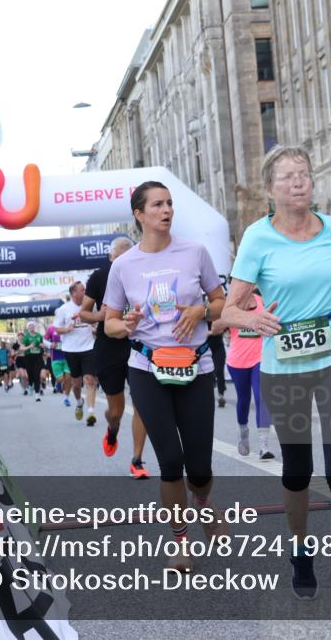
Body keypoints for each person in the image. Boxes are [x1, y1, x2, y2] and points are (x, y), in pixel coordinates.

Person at [220, 145, 331, 613]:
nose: (298, 182)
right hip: (284, 363)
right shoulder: (257, 238)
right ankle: (300, 547)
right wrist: (252, 323)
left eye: (304, 174)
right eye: (287, 177)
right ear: (271, 190)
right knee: (297, 470)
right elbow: (229, 309)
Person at [103, 181, 226, 572]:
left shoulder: (195, 252)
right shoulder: (123, 266)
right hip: (147, 368)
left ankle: (204, 504)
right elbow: (108, 324)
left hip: (196, 366)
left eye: (169, 203)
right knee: (170, 460)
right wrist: (127, 323)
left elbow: (220, 300)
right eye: (157, 204)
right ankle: (180, 541)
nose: (166, 210)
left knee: (200, 467)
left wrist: (201, 311)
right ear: (139, 215)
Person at [81, 236, 151, 478]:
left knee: (142, 402)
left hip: (137, 344)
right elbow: (83, 313)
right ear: (111, 256)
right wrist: (100, 317)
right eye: (119, 255)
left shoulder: (142, 272)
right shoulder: (100, 276)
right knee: (116, 410)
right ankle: (112, 427)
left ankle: (137, 460)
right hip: (109, 347)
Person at [211, 290, 275, 458]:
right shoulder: (231, 305)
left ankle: (264, 446)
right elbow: (215, 328)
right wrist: (229, 318)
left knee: (262, 397)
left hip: (260, 358)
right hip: (237, 361)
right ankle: (243, 434)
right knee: (244, 399)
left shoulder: (262, 301)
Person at [55, 282, 99, 425]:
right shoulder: (63, 309)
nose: (85, 292)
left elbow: (96, 321)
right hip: (71, 349)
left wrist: (94, 328)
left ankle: (91, 413)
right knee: (76, 383)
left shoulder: (90, 306)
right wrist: (67, 329)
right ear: (74, 292)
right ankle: (79, 402)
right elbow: (57, 329)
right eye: (82, 290)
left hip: (88, 347)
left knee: (90, 380)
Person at [44, 325, 73, 406]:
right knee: (61, 379)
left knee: (68, 379)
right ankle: (58, 383)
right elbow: (43, 340)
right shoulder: (51, 328)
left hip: (67, 357)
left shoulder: (68, 325)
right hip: (55, 358)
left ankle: (66, 398)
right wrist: (50, 344)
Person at [21, 321, 45, 402]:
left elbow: (43, 345)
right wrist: (30, 346)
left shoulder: (39, 336)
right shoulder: (26, 337)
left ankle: (37, 395)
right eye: (30, 326)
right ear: (28, 328)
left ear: (34, 327)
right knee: (30, 375)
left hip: (38, 357)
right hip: (28, 358)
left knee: (36, 375)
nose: (31, 327)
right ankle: (30, 384)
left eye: (33, 326)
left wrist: (42, 345)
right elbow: (22, 348)